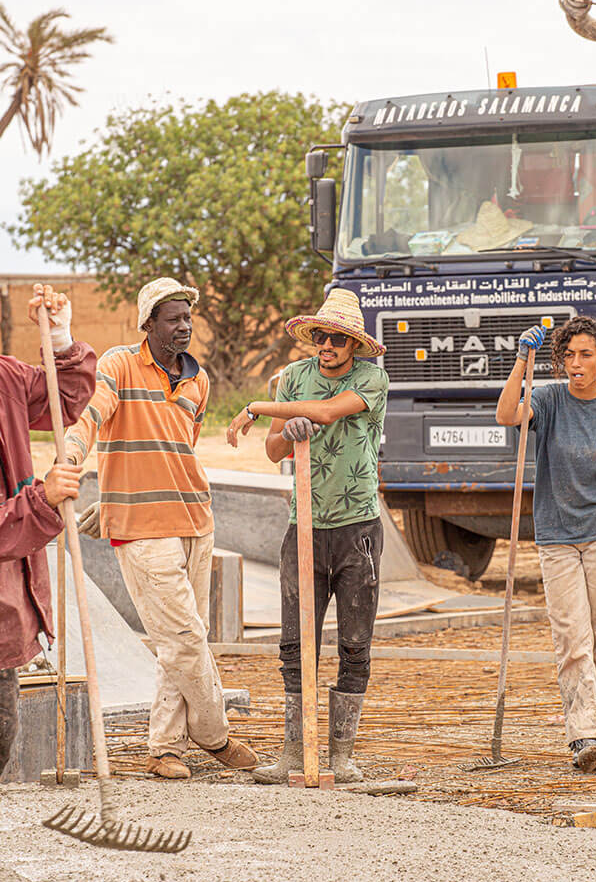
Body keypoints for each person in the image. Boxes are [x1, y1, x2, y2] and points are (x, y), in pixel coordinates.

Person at [65, 277, 258, 779]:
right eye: (172, 319)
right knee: (184, 637)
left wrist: (110, 495)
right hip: (142, 525)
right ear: (147, 324)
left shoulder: (199, 380)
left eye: (188, 319)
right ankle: (214, 734)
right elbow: (91, 416)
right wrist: (72, 459)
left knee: (184, 638)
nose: (184, 327)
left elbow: (178, 448)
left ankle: (164, 747)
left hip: (195, 516)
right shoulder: (119, 364)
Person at [227, 288, 388, 783]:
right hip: (304, 527)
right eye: (322, 336)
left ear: (354, 344)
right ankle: (295, 753)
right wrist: (283, 428)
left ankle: (341, 753)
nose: (328, 345)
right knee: (296, 643)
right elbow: (275, 452)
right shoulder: (295, 377)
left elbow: (327, 412)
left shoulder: (371, 377)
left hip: (356, 527)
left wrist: (256, 408)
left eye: (338, 338)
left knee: (355, 642)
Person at [496, 316, 596, 772]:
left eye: (586, 354)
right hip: (556, 534)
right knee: (572, 636)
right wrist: (521, 361)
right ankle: (584, 734)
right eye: (568, 355)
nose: (576, 363)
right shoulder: (547, 399)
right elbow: (508, 415)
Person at [0, 283, 96, 775]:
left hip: (4, 610)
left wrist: (59, 339)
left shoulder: (5, 378)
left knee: (2, 731)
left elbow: (66, 401)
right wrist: (42, 499)